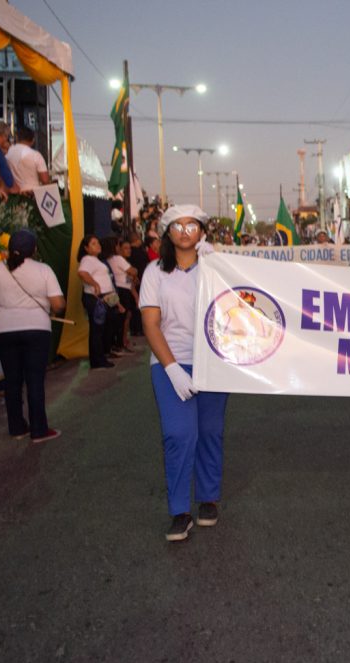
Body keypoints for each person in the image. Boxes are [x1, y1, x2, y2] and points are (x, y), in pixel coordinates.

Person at [140, 205, 229, 541]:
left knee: (209, 431)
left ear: (202, 232)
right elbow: (150, 324)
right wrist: (172, 368)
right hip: (169, 362)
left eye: (193, 224)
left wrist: (218, 262)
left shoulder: (215, 267)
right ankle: (180, 510)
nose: (185, 230)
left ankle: (208, 497)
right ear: (167, 233)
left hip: (212, 361)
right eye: (177, 225)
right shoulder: (154, 272)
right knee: (178, 435)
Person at [0, 230, 65, 443]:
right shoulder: (43, 270)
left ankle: (17, 427)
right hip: (37, 328)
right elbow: (58, 304)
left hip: (4, 329)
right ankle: (39, 430)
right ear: (34, 249)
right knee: (35, 379)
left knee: (12, 380)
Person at [76, 234, 121, 370]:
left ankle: (102, 356)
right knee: (97, 330)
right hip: (97, 298)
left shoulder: (97, 260)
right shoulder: (88, 259)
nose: (98, 245)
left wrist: (117, 303)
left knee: (105, 327)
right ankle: (97, 360)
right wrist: (95, 284)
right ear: (86, 248)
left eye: (98, 242)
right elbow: (82, 273)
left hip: (107, 297)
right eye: (93, 243)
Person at [106, 237, 139, 353]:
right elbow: (133, 272)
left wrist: (135, 295)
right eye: (124, 248)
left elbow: (131, 279)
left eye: (129, 248)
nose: (129, 250)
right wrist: (133, 272)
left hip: (121, 290)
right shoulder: (118, 259)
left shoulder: (111, 260)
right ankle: (121, 342)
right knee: (123, 317)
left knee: (123, 317)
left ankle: (122, 341)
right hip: (121, 290)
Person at [4, 125, 50, 193]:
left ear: (16, 138)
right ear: (33, 140)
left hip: (13, 193)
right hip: (32, 193)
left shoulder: (7, 153)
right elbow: (45, 180)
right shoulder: (35, 155)